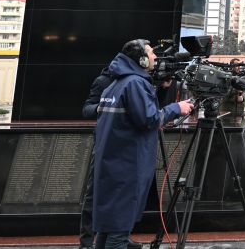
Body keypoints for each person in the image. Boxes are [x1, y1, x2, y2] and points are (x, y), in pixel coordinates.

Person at [92, 40, 193, 249]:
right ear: (141, 59)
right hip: (127, 166)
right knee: (119, 233)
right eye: (151, 53)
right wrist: (177, 108)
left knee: (108, 229)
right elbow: (149, 120)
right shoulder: (135, 84)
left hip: (112, 163)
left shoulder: (116, 84)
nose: (156, 57)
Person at [79, 67, 142, 249]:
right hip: (105, 145)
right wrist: (104, 106)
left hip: (127, 147)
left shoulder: (137, 82)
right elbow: (87, 109)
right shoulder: (104, 81)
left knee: (123, 196)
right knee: (94, 194)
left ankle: (119, 234)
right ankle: (86, 242)